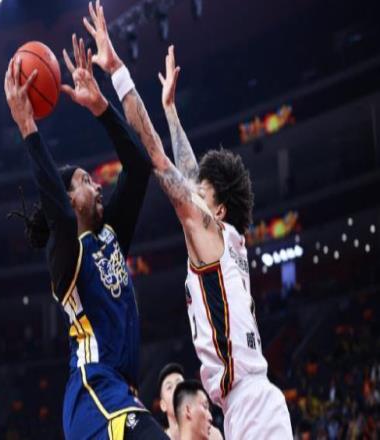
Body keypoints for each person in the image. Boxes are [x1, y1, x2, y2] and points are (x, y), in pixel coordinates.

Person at [82, 2, 292, 438]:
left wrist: (118, 72)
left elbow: (159, 160)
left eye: (202, 194)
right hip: (246, 405)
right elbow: (192, 176)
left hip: (251, 406)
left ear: (217, 210)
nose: (192, 193)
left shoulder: (212, 233)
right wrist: (172, 112)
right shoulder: (224, 239)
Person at [4, 35, 168, 440]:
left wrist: (101, 107)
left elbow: (138, 166)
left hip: (120, 392)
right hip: (93, 391)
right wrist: (28, 127)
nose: (97, 186)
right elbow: (59, 215)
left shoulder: (111, 235)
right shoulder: (67, 257)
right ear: (70, 201)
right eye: (85, 182)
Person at [157, 363, 185, 439]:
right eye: (169, 387)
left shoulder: (208, 433)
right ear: (163, 405)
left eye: (179, 383)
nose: (176, 388)